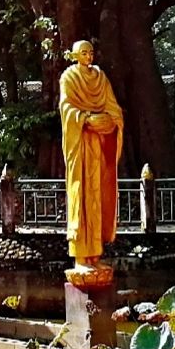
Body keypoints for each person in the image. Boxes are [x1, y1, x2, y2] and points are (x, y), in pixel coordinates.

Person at [58, 40, 123, 269]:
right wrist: (86, 119)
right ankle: (80, 254)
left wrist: (110, 122)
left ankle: (95, 252)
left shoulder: (100, 77)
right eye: (83, 53)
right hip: (80, 144)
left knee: (96, 195)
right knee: (81, 194)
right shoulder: (69, 78)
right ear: (75, 55)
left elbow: (113, 107)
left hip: (98, 144)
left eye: (91, 52)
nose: (88, 56)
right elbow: (66, 109)